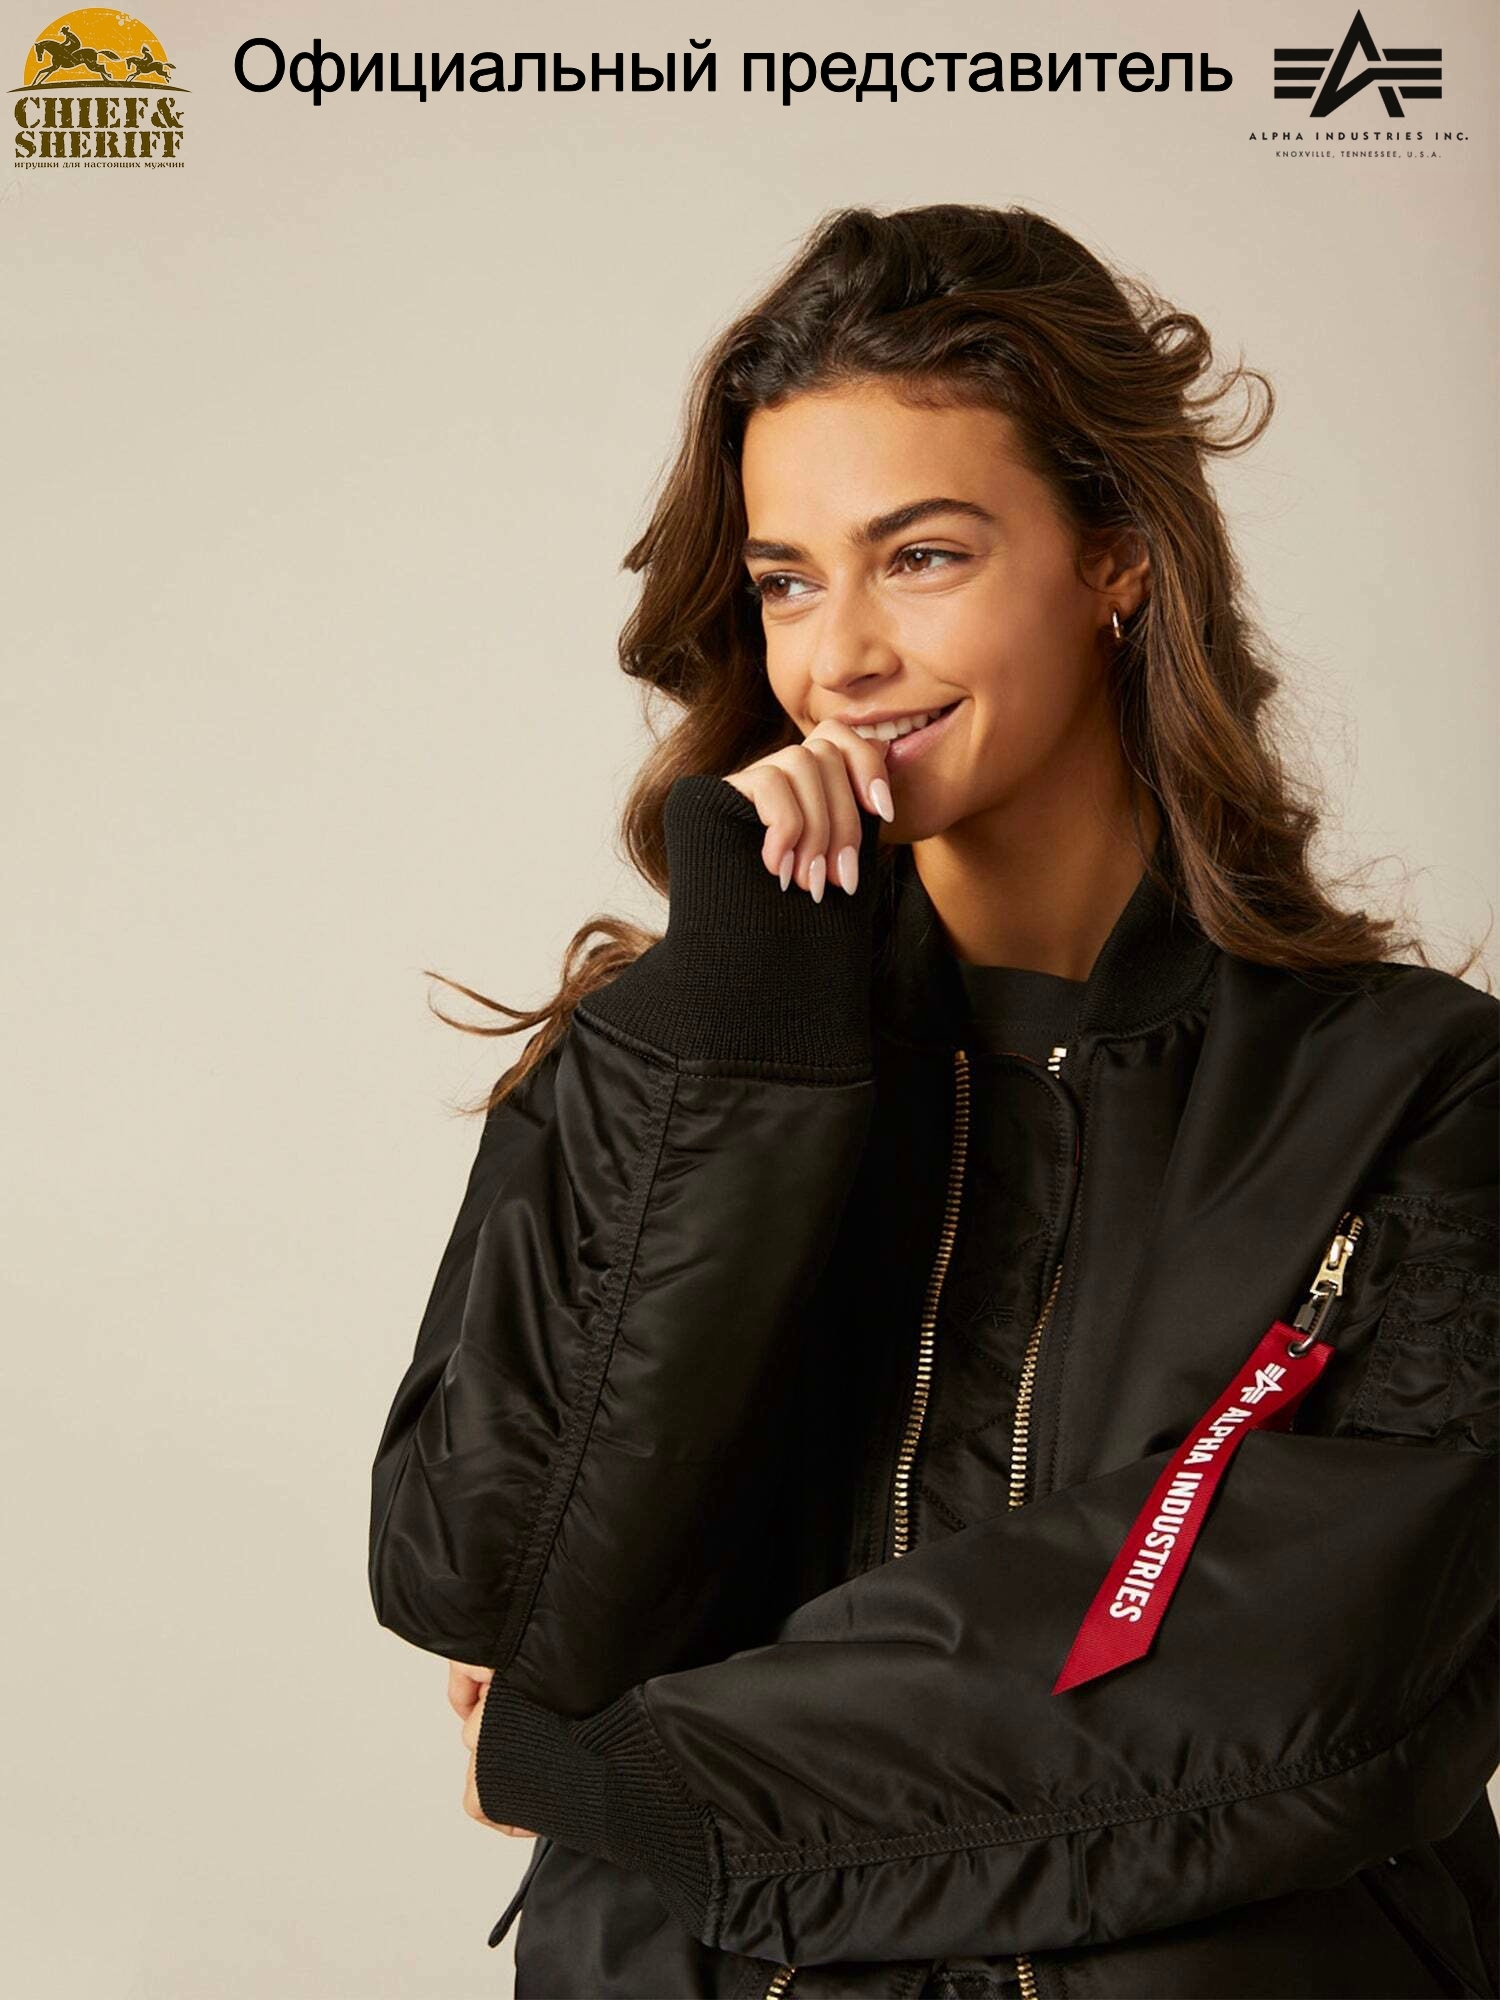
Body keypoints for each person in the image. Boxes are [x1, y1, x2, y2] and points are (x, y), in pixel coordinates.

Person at [367, 203, 1499, 1999]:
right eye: (788, 580)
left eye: (922, 556)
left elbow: (1299, 1665)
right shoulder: (673, 1060)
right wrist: (739, 1040)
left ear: (1116, 558)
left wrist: (648, 1784)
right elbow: (504, 1595)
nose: (840, 656)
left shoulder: (1414, 1087)